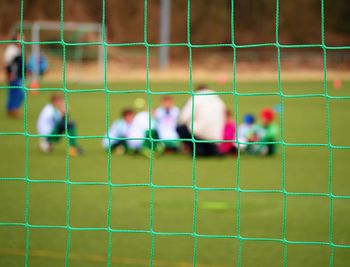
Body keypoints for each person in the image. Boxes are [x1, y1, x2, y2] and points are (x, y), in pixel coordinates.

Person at [177, 85, 226, 156]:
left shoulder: (196, 98)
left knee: (180, 128)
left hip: (199, 133)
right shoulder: (219, 100)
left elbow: (183, 117)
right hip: (216, 136)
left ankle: (197, 149)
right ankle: (212, 150)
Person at [3, 33, 26, 118]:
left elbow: (20, 63)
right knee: (17, 92)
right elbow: (8, 63)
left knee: (18, 92)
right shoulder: (12, 49)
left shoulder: (19, 49)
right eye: (21, 38)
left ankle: (13, 109)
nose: (23, 40)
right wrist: (9, 74)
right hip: (14, 76)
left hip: (19, 75)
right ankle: (12, 109)